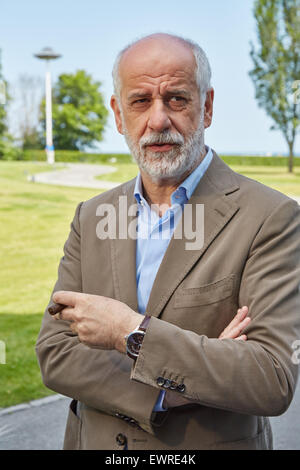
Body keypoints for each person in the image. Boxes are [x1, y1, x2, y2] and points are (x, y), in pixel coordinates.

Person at [36, 33, 300, 450]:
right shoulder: (93, 217)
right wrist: (169, 387)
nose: (158, 120)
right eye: (140, 101)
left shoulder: (270, 217)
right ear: (119, 115)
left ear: (207, 106)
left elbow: (270, 377)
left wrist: (128, 331)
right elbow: (54, 353)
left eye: (176, 98)